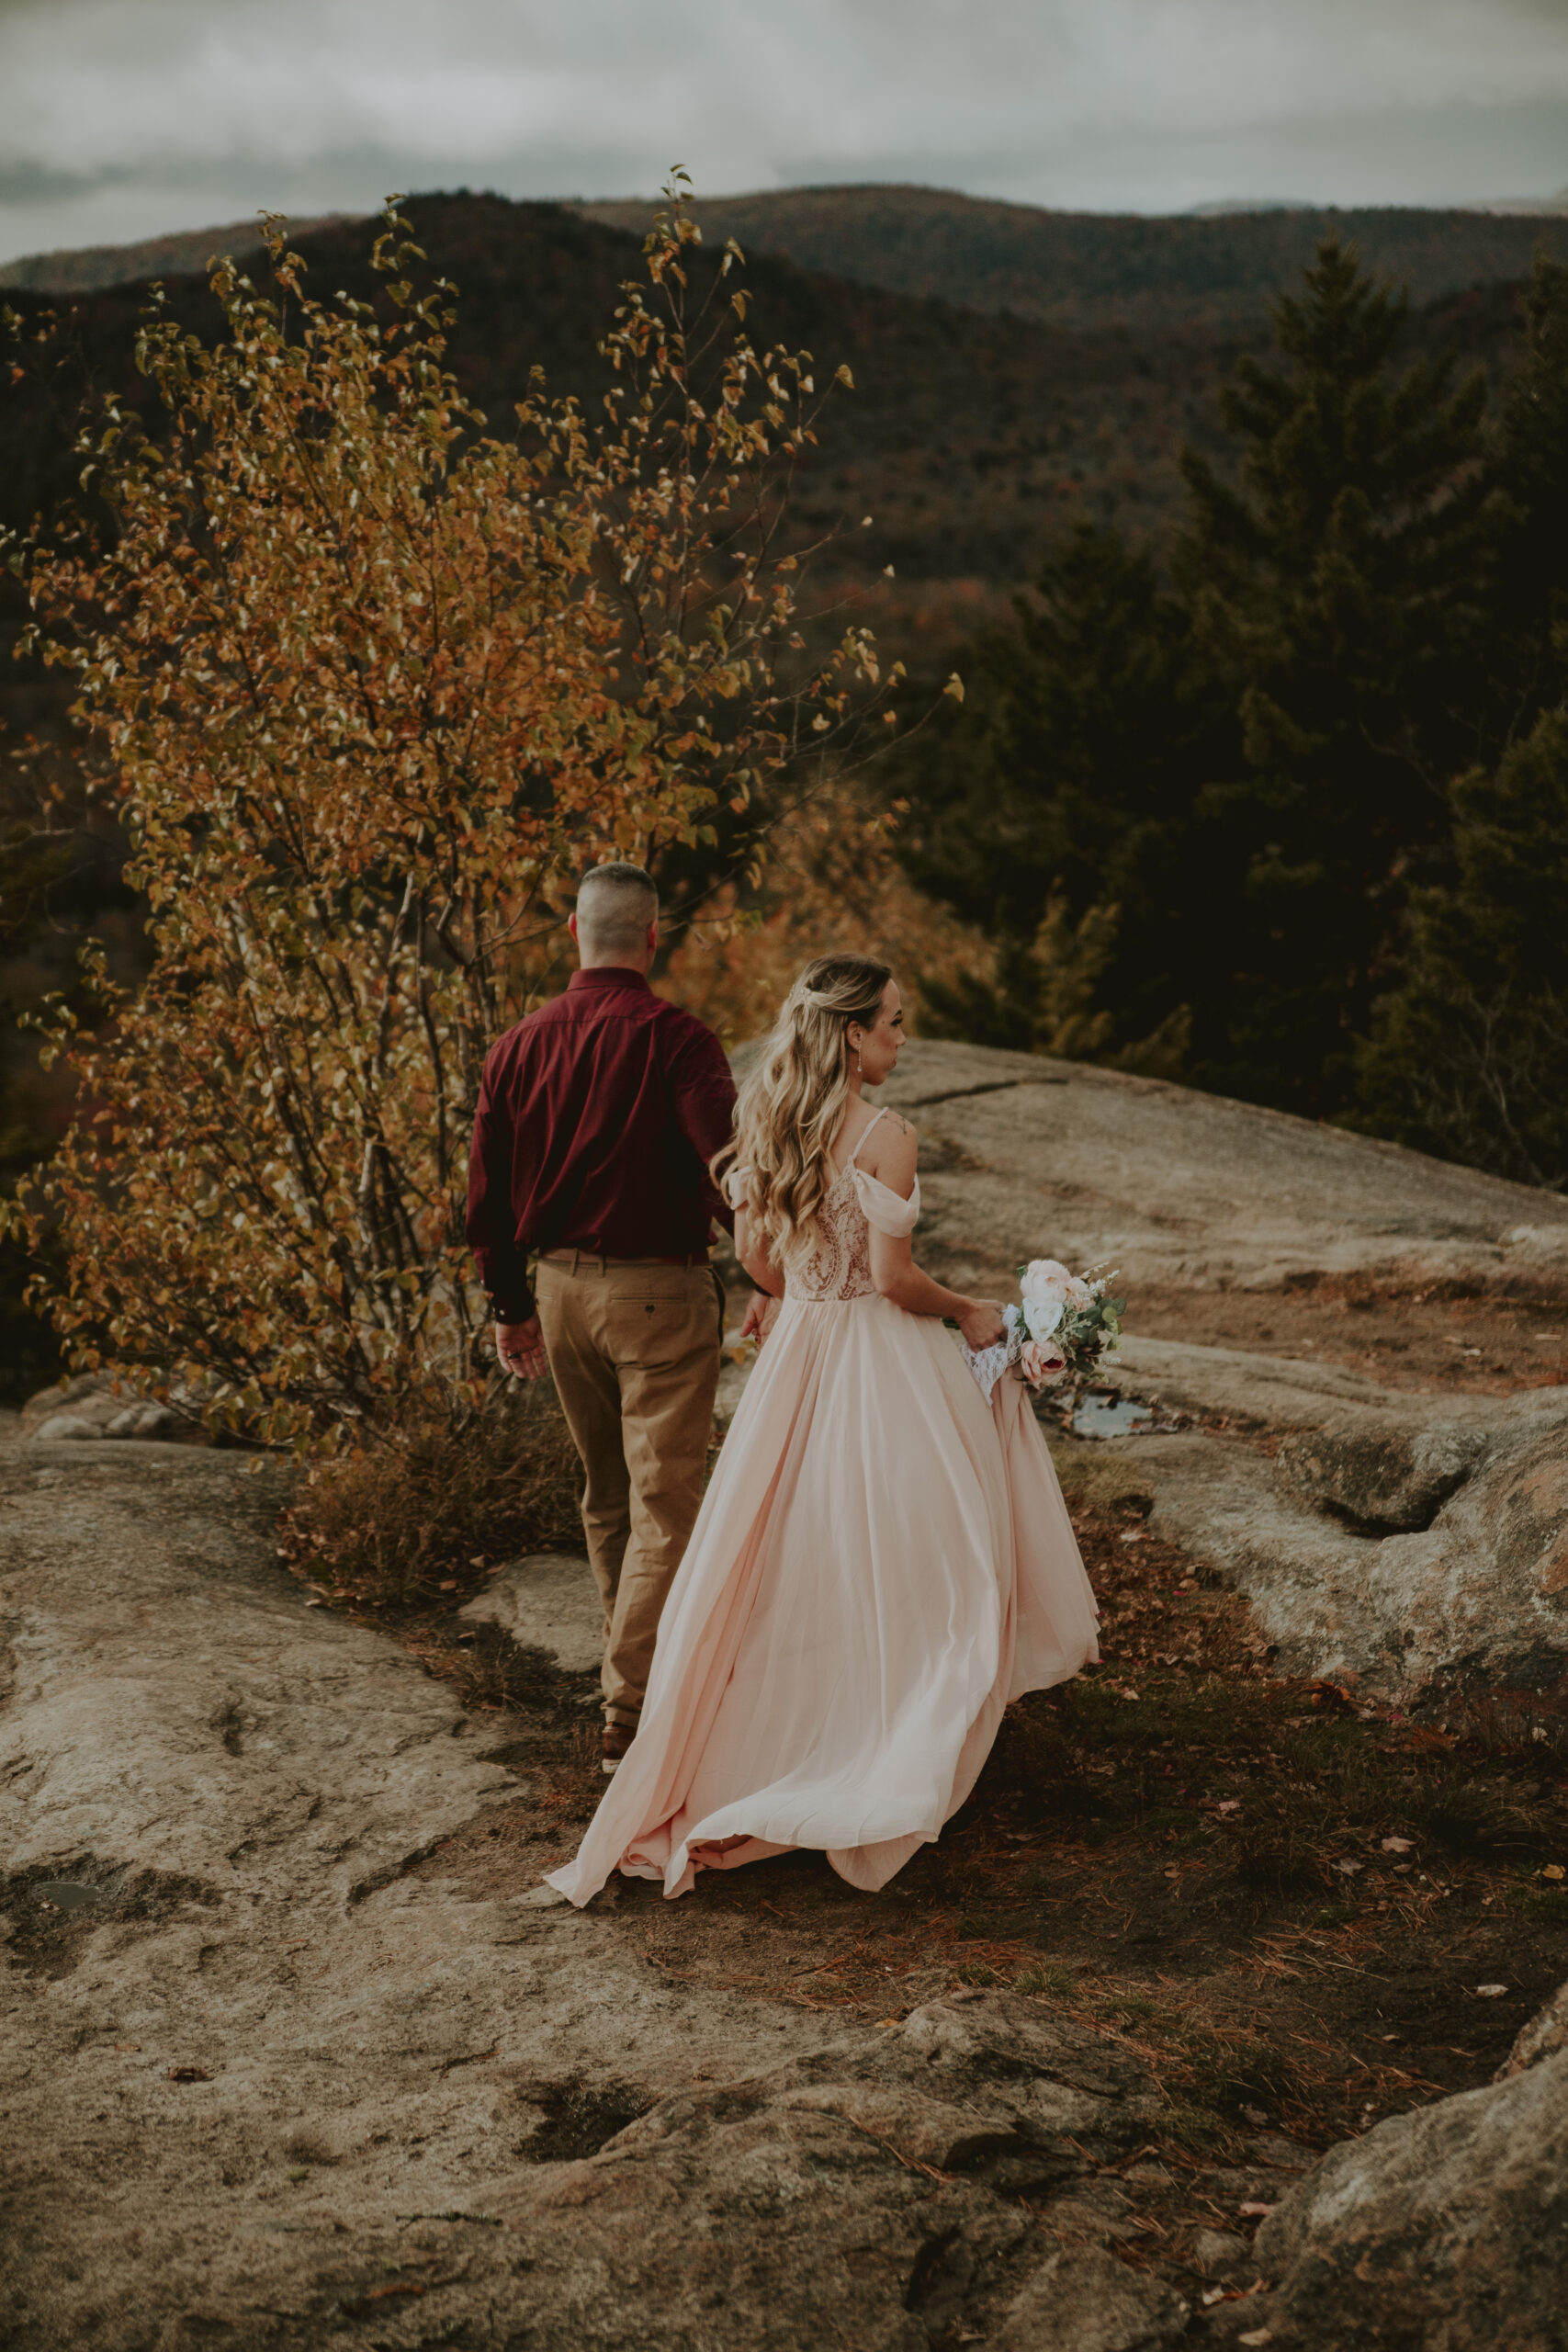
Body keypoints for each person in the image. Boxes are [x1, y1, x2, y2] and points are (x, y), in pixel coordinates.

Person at [544, 953, 1100, 1905]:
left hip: (799, 1353)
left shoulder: (765, 1121)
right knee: (936, 1546)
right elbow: (890, 1282)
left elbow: (762, 1265)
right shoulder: (887, 1134)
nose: (901, 1036)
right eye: (891, 1021)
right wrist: (971, 1307)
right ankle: (886, 1736)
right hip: (880, 1361)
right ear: (851, 1033)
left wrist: (789, 1289)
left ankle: (789, 1733)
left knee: (786, 1548)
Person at [466, 861, 737, 1775]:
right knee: (664, 1502)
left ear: (575, 932)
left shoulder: (515, 1046)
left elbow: (487, 1196)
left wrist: (509, 1306)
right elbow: (726, 1165)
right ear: (652, 937)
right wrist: (784, 1258)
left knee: (611, 1496)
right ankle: (632, 1703)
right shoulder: (680, 1041)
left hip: (559, 1293)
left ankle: (637, 1676)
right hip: (658, 1295)